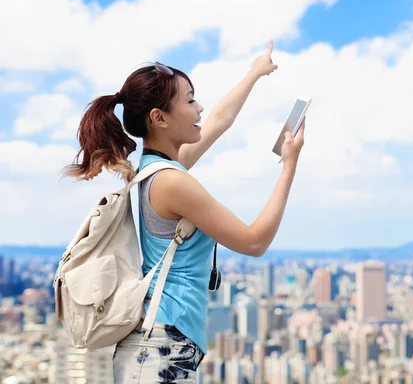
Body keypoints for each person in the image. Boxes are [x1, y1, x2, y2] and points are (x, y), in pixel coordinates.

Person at [60, 41, 305, 383]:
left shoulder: (155, 169)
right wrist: (289, 166)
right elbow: (254, 242)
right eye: (189, 101)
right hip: (160, 349)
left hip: (157, 346)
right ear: (159, 118)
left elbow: (219, 119)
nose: (200, 108)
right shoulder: (172, 183)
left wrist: (255, 73)